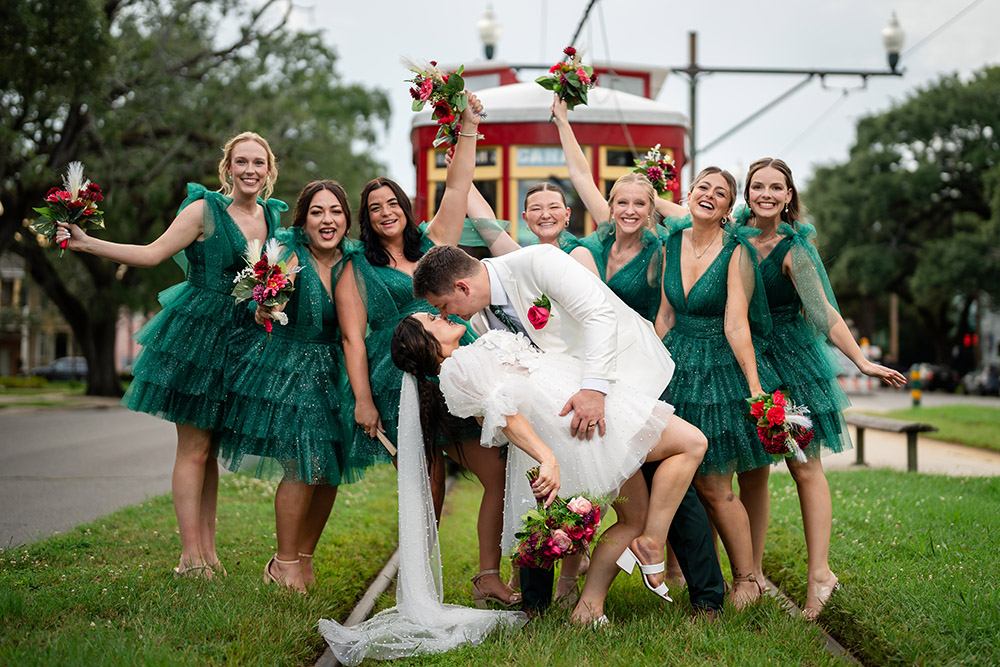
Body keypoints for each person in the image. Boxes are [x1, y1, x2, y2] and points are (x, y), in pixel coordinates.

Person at [412, 243, 707, 626]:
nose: (444, 314)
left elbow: (596, 315)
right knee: (678, 458)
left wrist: (594, 389)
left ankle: (596, 603)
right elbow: (505, 413)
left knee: (635, 508)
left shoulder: (534, 266)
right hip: (566, 423)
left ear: (463, 287)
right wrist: (546, 453)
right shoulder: (466, 356)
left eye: (442, 306)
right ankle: (603, 584)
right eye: (436, 316)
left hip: (600, 391)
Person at [55, 131, 285, 578]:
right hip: (199, 336)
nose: (250, 170)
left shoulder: (272, 219)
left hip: (245, 340)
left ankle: (209, 553)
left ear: (270, 169)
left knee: (211, 448)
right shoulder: (205, 210)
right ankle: (188, 556)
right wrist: (86, 243)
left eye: (258, 162)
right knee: (194, 449)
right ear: (228, 168)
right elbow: (152, 253)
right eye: (241, 162)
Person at [335, 93, 518, 607]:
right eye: (375, 208)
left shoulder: (433, 244)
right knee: (427, 487)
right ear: (366, 220)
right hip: (403, 383)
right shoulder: (357, 266)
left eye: (392, 203)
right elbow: (352, 335)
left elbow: (458, 185)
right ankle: (418, 585)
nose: (386, 212)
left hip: (462, 369)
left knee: (497, 474)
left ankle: (488, 575)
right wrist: (364, 400)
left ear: (404, 207)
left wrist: (469, 125)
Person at [738, 158, 906, 618]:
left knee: (803, 467)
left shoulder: (796, 250)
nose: (766, 194)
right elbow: (681, 209)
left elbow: (824, 312)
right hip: (746, 363)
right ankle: (749, 575)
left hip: (793, 366)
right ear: (746, 192)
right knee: (750, 469)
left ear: (789, 196)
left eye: (777, 187)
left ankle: (820, 574)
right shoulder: (732, 237)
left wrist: (862, 360)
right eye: (758, 186)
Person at [217, 180, 372, 592]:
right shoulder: (287, 252)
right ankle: (283, 562)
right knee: (302, 466)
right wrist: (266, 304)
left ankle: (303, 559)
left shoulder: (353, 260)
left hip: (336, 371)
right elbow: (261, 308)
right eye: (318, 211)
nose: (328, 219)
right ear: (303, 219)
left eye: (336, 211)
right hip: (290, 369)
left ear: (346, 219)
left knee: (331, 472)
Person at [653, 167, 779, 609]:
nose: (709, 196)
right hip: (673, 367)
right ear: (689, 195)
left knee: (714, 484)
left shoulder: (736, 252)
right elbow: (666, 315)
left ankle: (747, 579)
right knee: (680, 483)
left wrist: (755, 388)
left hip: (716, 371)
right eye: (703, 187)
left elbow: (736, 323)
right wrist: (648, 371)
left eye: (720, 193)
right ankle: (702, 578)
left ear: (728, 208)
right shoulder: (671, 243)